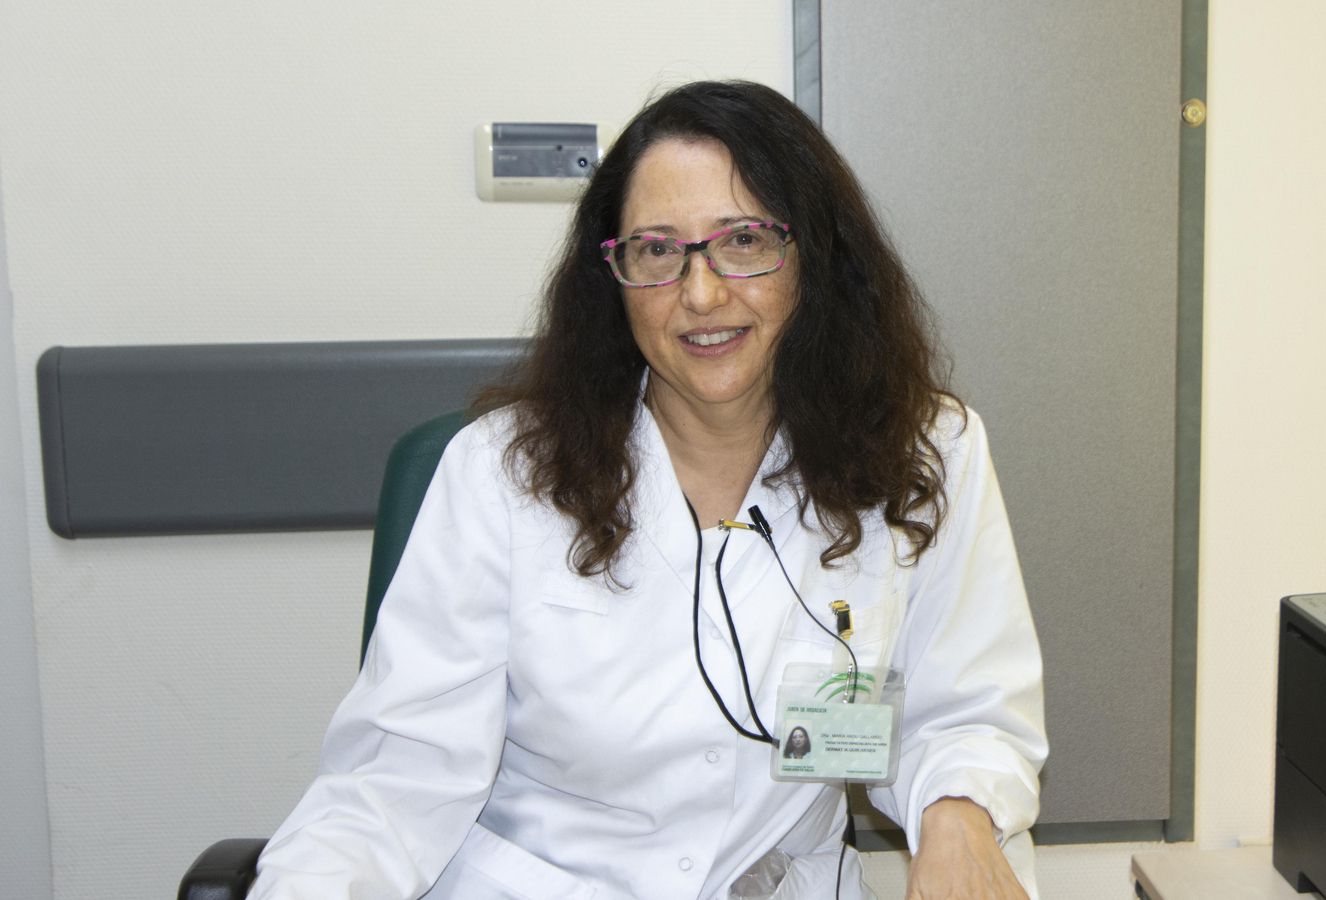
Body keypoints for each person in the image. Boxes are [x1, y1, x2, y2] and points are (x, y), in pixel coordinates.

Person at [250, 80, 1046, 900]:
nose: (701, 294)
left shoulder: (924, 454)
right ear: (615, 276)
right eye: (658, 251)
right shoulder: (502, 474)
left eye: (743, 240)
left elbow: (967, 712)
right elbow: (394, 782)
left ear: (816, 257)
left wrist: (957, 812)